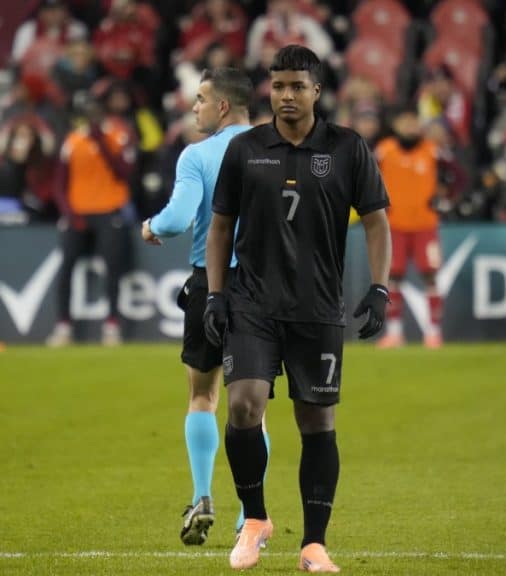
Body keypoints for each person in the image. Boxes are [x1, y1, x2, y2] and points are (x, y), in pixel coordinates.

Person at [204, 45, 391, 572]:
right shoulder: (246, 149)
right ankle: (256, 519)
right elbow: (221, 226)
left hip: (317, 308)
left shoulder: (348, 148)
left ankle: (313, 543)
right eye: (278, 85)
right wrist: (217, 296)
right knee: (242, 405)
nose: (286, 95)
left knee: (316, 421)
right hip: (253, 305)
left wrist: (380, 288)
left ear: (316, 91)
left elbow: (377, 220)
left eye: (297, 86)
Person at [140, 67, 270, 546]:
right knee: (254, 408)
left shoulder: (198, 155)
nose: (192, 107)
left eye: (199, 99)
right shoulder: (273, 150)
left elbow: (176, 219)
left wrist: (150, 226)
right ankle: (248, 516)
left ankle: (201, 495)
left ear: (222, 106)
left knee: (203, 396)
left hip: (210, 282)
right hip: (263, 288)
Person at [47, 95, 136, 347]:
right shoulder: (72, 140)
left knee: (113, 269)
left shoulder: (118, 135)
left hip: (109, 210)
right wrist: (69, 212)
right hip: (78, 212)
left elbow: (124, 172)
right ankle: (63, 325)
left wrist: (101, 140)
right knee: (66, 268)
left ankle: (112, 325)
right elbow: (59, 183)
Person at [375, 106, 446, 349]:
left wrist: (446, 197)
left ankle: (433, 332)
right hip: (394, 225)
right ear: (396, 125)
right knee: (393, 277)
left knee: (430, 275)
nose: (409, 127)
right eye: (404, 122)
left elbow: (457, 176)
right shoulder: (384, 151)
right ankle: (395, 333)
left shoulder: (432, 151)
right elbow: (364, 178)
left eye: (413, 121)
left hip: (425, 225)